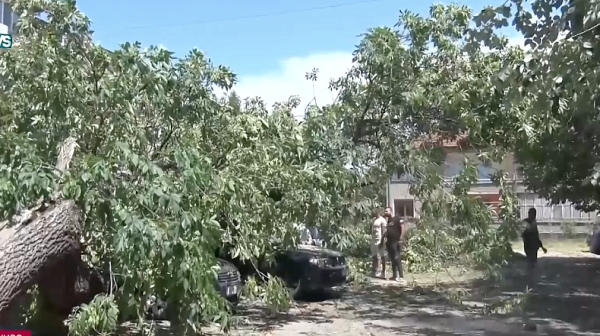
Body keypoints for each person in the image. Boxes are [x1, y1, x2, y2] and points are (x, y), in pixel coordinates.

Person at [522, 207, 547, 285]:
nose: (534, 216)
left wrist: (541, 247)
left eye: (535, 214)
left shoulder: (533, 222)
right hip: (529, 246)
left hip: (534, 246)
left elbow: (536, 236)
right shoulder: (526, 222)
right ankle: (529, 279)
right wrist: (528, 242)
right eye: (532, 214)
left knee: (533, 263)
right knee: (530, 262)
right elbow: (523, 234)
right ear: (529, 214)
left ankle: (532, 279)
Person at [383, 206, 407, 284]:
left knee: (397, 258)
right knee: (392, 258)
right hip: (389, 242)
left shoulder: (397, 218)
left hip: (396, 241)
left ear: (391, 211)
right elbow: (387, 231)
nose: (385, 213)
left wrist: (401, 238)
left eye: (387, 211)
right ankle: (394, 275)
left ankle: (401, 276)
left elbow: (403, 228)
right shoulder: (389, 220)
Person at [371, 208, 387, 278]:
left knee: (381, 256)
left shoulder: (382, 220)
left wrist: (382, 241)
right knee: (374, 256)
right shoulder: (374, 219)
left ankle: (383, 272)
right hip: (374, 239)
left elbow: (384, 231)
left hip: (380, 239)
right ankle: (375, 270)